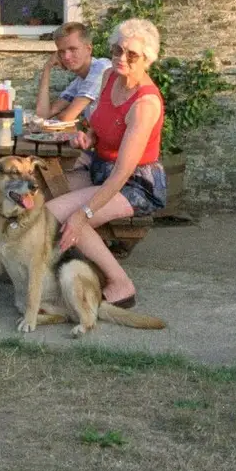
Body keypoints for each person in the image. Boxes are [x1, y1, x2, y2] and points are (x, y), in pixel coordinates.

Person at [44, 18, 166, 307]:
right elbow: (101, 125)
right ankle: (71, 269)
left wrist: (83, 213)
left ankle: (121, 284)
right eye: (117, 50)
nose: (121, 58)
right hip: (101, 167)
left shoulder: (145, 104)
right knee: (45, 189)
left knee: (59, 214)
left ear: (147, 59)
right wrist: (89, 137)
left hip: (134, 184)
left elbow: (123, 172)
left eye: (132, 54)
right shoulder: (111, 76)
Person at [34, 21, 112, 123]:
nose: (66, 57)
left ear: (88, 49)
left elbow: (67, 117)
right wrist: (47, 68)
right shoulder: (79, 81)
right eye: (61, 51)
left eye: (73, 49)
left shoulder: (101, 68)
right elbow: (43, 115)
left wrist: (61, 117)